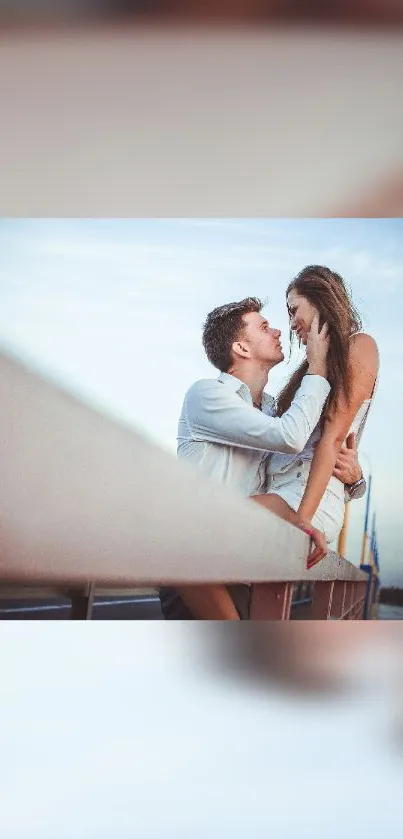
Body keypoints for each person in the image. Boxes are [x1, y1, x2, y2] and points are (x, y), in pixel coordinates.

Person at [160, 293, 364, 620]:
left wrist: (354, 480)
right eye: (265, 327)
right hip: (196, 566)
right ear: (241, 348)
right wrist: (318, 368)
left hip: (243, 562)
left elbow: (298, 469)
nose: (278, 332)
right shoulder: (207, 394)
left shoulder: (272, 411)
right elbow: (291, 437)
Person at [253, 265, 379, 553]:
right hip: (280, 492)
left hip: (307, 501)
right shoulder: (311, 369)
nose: (291, 321)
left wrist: (304, 518)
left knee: (214, 523)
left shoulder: (360, 346)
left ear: (320, 298)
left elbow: (333, 438)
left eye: (294, 309)